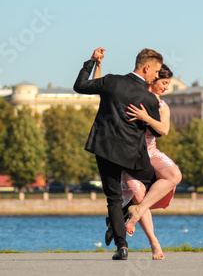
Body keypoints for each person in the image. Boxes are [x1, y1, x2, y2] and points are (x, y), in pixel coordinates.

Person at [73, 47, 163, 260]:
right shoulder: (150, 100)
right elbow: (157, 131)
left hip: (104, 148)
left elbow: (80, 86)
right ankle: (126, 216)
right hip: (133, 155)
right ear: (147, 67)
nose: (157, 76)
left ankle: (121, 246)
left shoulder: (112, 82)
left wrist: (92, 62)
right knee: (153, 182)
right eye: (157, 72)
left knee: (113, 198)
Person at [94, 59, 182, 260]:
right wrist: (97, 65)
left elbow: (164, 130)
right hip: (128, 154)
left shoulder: (161, 105)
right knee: (139, 191)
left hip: (150, 153)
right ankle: (154, 244)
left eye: (169, 84)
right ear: (153, 78)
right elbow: (101, 88)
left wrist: (146, 117)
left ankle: (136, 212)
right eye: (164, 83)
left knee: (174, 174)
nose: (166, 88)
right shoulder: (131, 96)